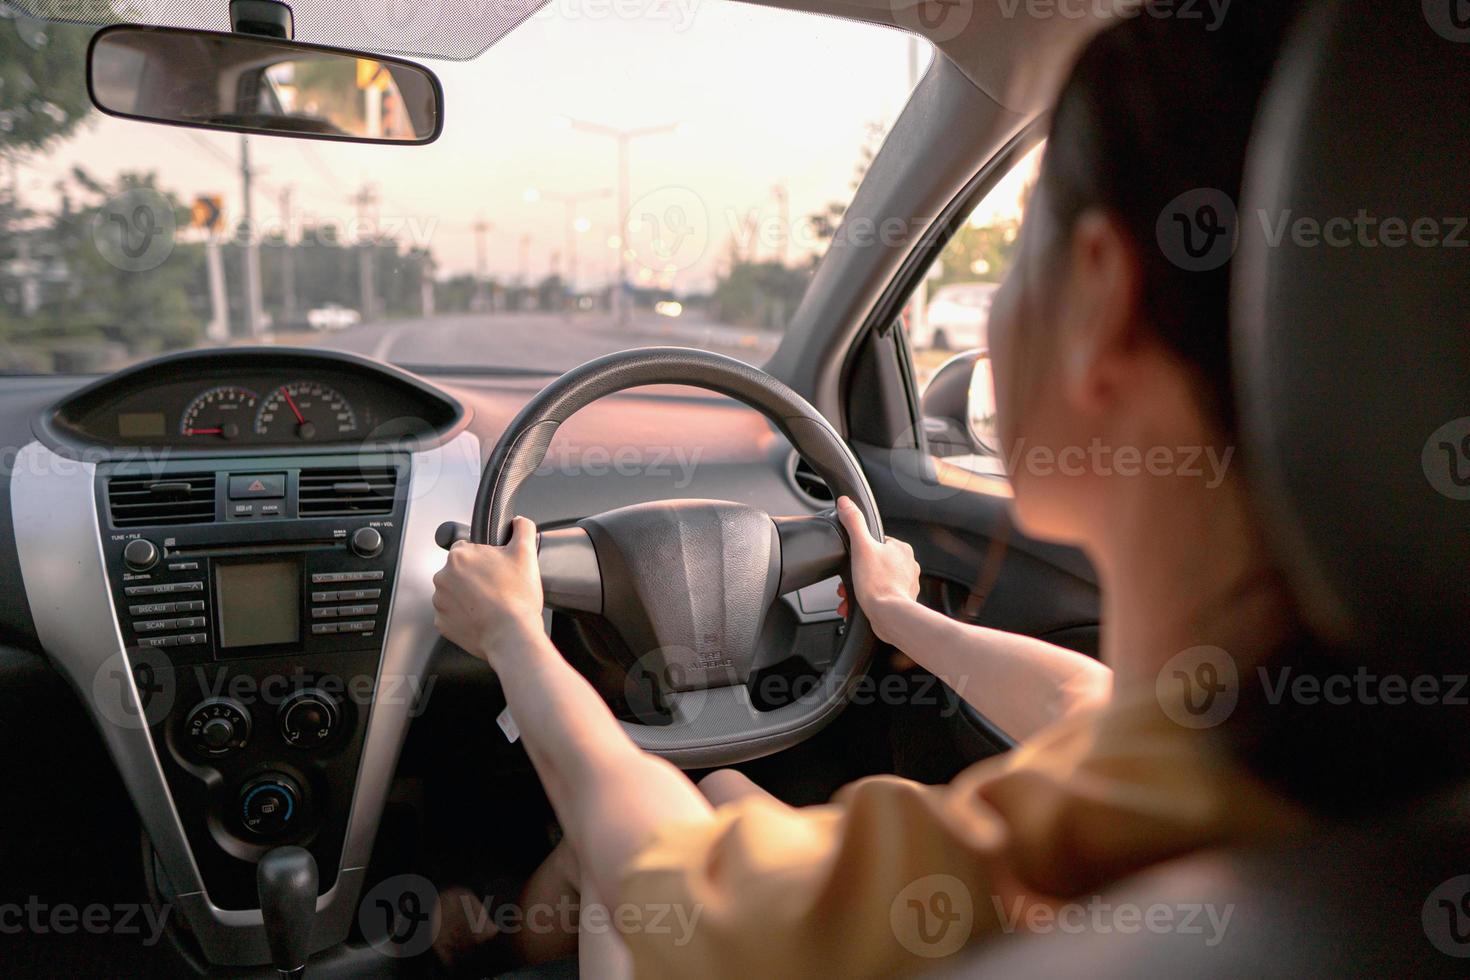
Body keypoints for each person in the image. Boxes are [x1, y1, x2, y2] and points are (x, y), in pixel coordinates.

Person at [430, 3, 1307, 975]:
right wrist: (900, 615)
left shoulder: (1019, 863)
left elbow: (666, 871)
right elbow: (1082, 700)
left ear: (1099, 297)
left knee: (620, 857)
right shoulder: (1282, 753)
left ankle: (504, 939)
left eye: (1019, 251)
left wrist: (511, 631)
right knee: (720, 789)